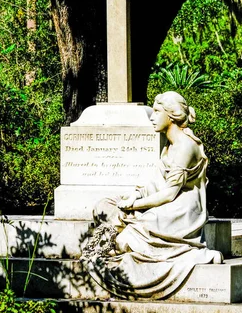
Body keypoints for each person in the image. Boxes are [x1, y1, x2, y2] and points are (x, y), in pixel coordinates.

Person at [81, 91, 223, 300]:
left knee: (126, 238)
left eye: (157, 112)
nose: (151, 117)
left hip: (182, 207)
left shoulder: (185, 145)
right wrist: (133, 195)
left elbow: (169, 193)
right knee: (105, 205)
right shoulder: (170, 144)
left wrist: (133, 205)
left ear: (171, 115)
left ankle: (201, 254)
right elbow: (154, 183)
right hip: (166, 201)